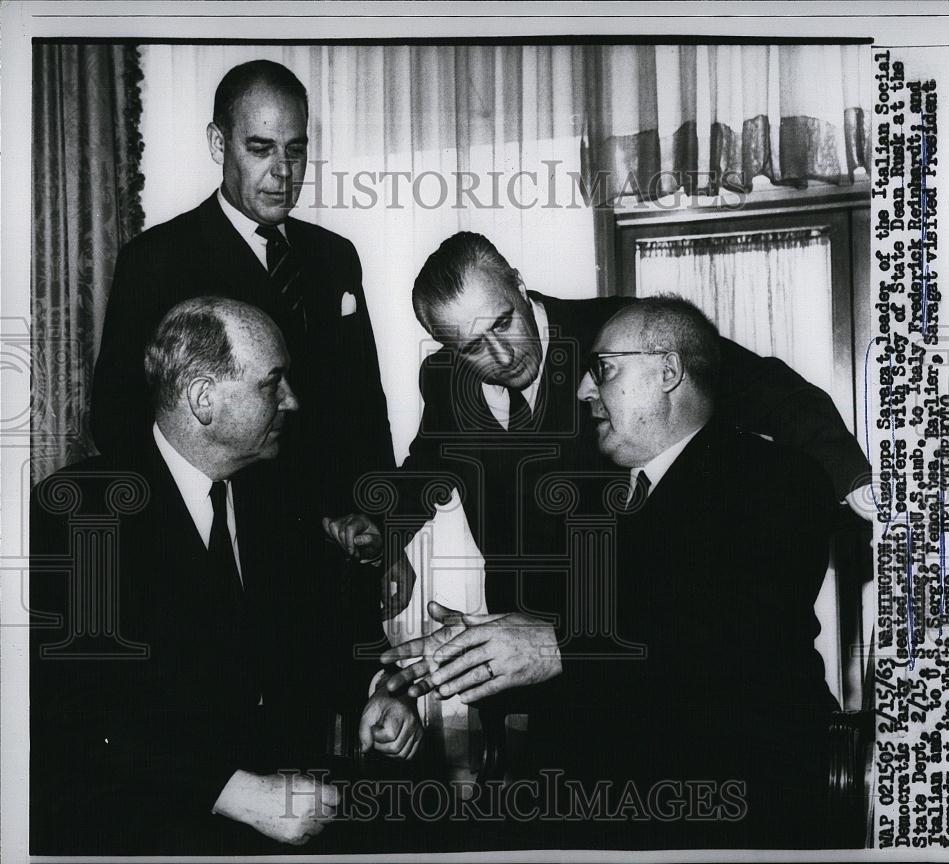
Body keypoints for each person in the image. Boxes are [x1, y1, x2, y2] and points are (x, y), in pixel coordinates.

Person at [382, 296, 841, 848]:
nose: (582, 391)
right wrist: (477, 654)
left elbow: (730, 639)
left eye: (603, 370)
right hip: (612, 794)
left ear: (668, 371)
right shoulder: (599, 503)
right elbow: (589, 658)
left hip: (736, 795)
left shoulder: (774, 479)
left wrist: (555, 648)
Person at [30, 298, 420, 855]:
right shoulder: (78, 514)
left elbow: (332, 638)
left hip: (290, 811)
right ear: (203, 399)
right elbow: (76, 715)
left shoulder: (279, 499)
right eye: (272, 383)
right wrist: (235, 793)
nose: (293, 399)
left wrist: (378, 692)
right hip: (142, 824)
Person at [330, 231, 870, 622]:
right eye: (472, 347)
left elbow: (764, 388)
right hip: (516, 645)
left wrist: (852, 477)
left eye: (503, 322)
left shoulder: (616, 333)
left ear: (518, 283)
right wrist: (383, 524)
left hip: (629, 644)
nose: (502, 353)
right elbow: (430, 466)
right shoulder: (445, 381)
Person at [90, 59, 392, 517]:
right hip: (231, 555)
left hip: (343, 547)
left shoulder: (336, 256)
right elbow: (117, 420)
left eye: (295, 149)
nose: (283, 172)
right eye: (260, 148)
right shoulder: (156, 260)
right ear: (218, 143)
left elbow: (366, 405)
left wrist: (382, 527)